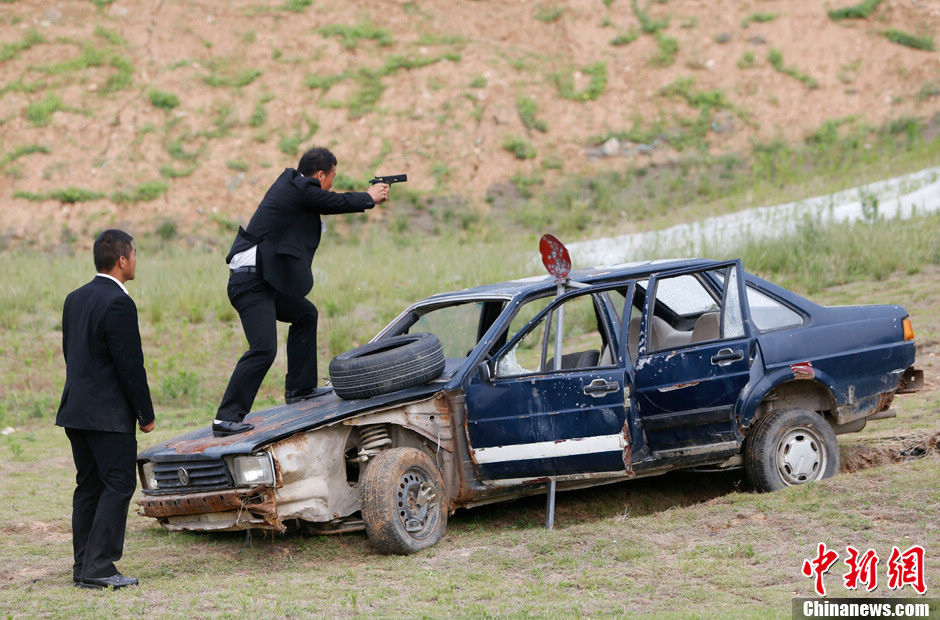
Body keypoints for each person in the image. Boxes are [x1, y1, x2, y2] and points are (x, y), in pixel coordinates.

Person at [213, 147, 389, 436]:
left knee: (305, 313)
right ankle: (226, 417)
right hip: (250, 283)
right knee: (263, 348)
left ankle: (300, 388)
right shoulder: (298, 186)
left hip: (265, 280)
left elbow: (323, 199)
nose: (332, 182)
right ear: (320, 174)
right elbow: (329, 200)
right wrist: (367, 198)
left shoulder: (296, 189)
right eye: (332, 176)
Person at [56, 229, 156, 590]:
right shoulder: (119, 303)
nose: (135, 260)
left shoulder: (74, 298)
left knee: (89, 486)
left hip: (76, 410)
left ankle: (84, 565)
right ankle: (99, 566)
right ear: (122, 260)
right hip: (107, 416)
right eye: (134, 254)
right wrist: (145, 413)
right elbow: (129, 364)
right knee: (118, 484)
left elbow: (73, 354)